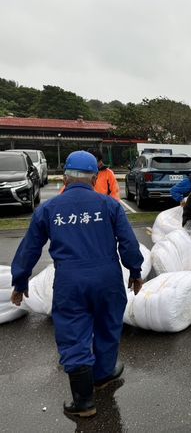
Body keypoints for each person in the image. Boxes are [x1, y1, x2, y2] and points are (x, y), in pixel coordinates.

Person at [10, 150, 144, 418]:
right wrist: (135, 271)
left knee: (74, 334)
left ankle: (84, 402)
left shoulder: (49, 209)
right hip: (108, 279)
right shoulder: (110, 206)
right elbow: (128, 243)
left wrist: (20, 281)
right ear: (95, 177)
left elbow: (29, 249)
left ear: (64, 177)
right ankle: (103, 374)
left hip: (71, 282)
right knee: (108, 325)